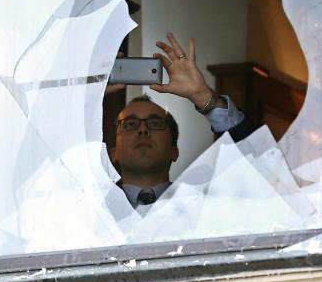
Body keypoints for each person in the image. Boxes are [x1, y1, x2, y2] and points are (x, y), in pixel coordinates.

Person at [108, 32, 255, 208]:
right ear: (113, 153)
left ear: (174, 151)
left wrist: (203, 96)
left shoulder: (209, 205)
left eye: (155, 123)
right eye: (130, 124)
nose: (143, 130)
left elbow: (253, 165)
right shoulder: (85, 208)